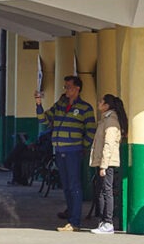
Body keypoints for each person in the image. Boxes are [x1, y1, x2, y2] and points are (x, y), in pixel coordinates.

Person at [35, 75, 96, 232]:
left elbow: (91, 130)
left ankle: (75, 222)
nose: (66, 90)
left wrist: (83, 146)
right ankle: (70, 213)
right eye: (65, 87)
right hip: (60, 150)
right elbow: (45, 121)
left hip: (74, 151)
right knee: (67, 186)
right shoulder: (60, 105)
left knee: (75, 185)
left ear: (77, 89)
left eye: (68, 86)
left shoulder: (85, 108)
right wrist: (39, 105)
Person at [89, 94, 127, 235]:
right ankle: (103, 221)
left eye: (101, 101)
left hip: (107, 162)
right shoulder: (106, 119)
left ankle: (108, 222)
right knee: (101, 191)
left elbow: (108, 144)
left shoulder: (111, 121)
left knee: (106, 191)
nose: (98, 103)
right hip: (103, 161)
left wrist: (104, 165)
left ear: (107, 105)